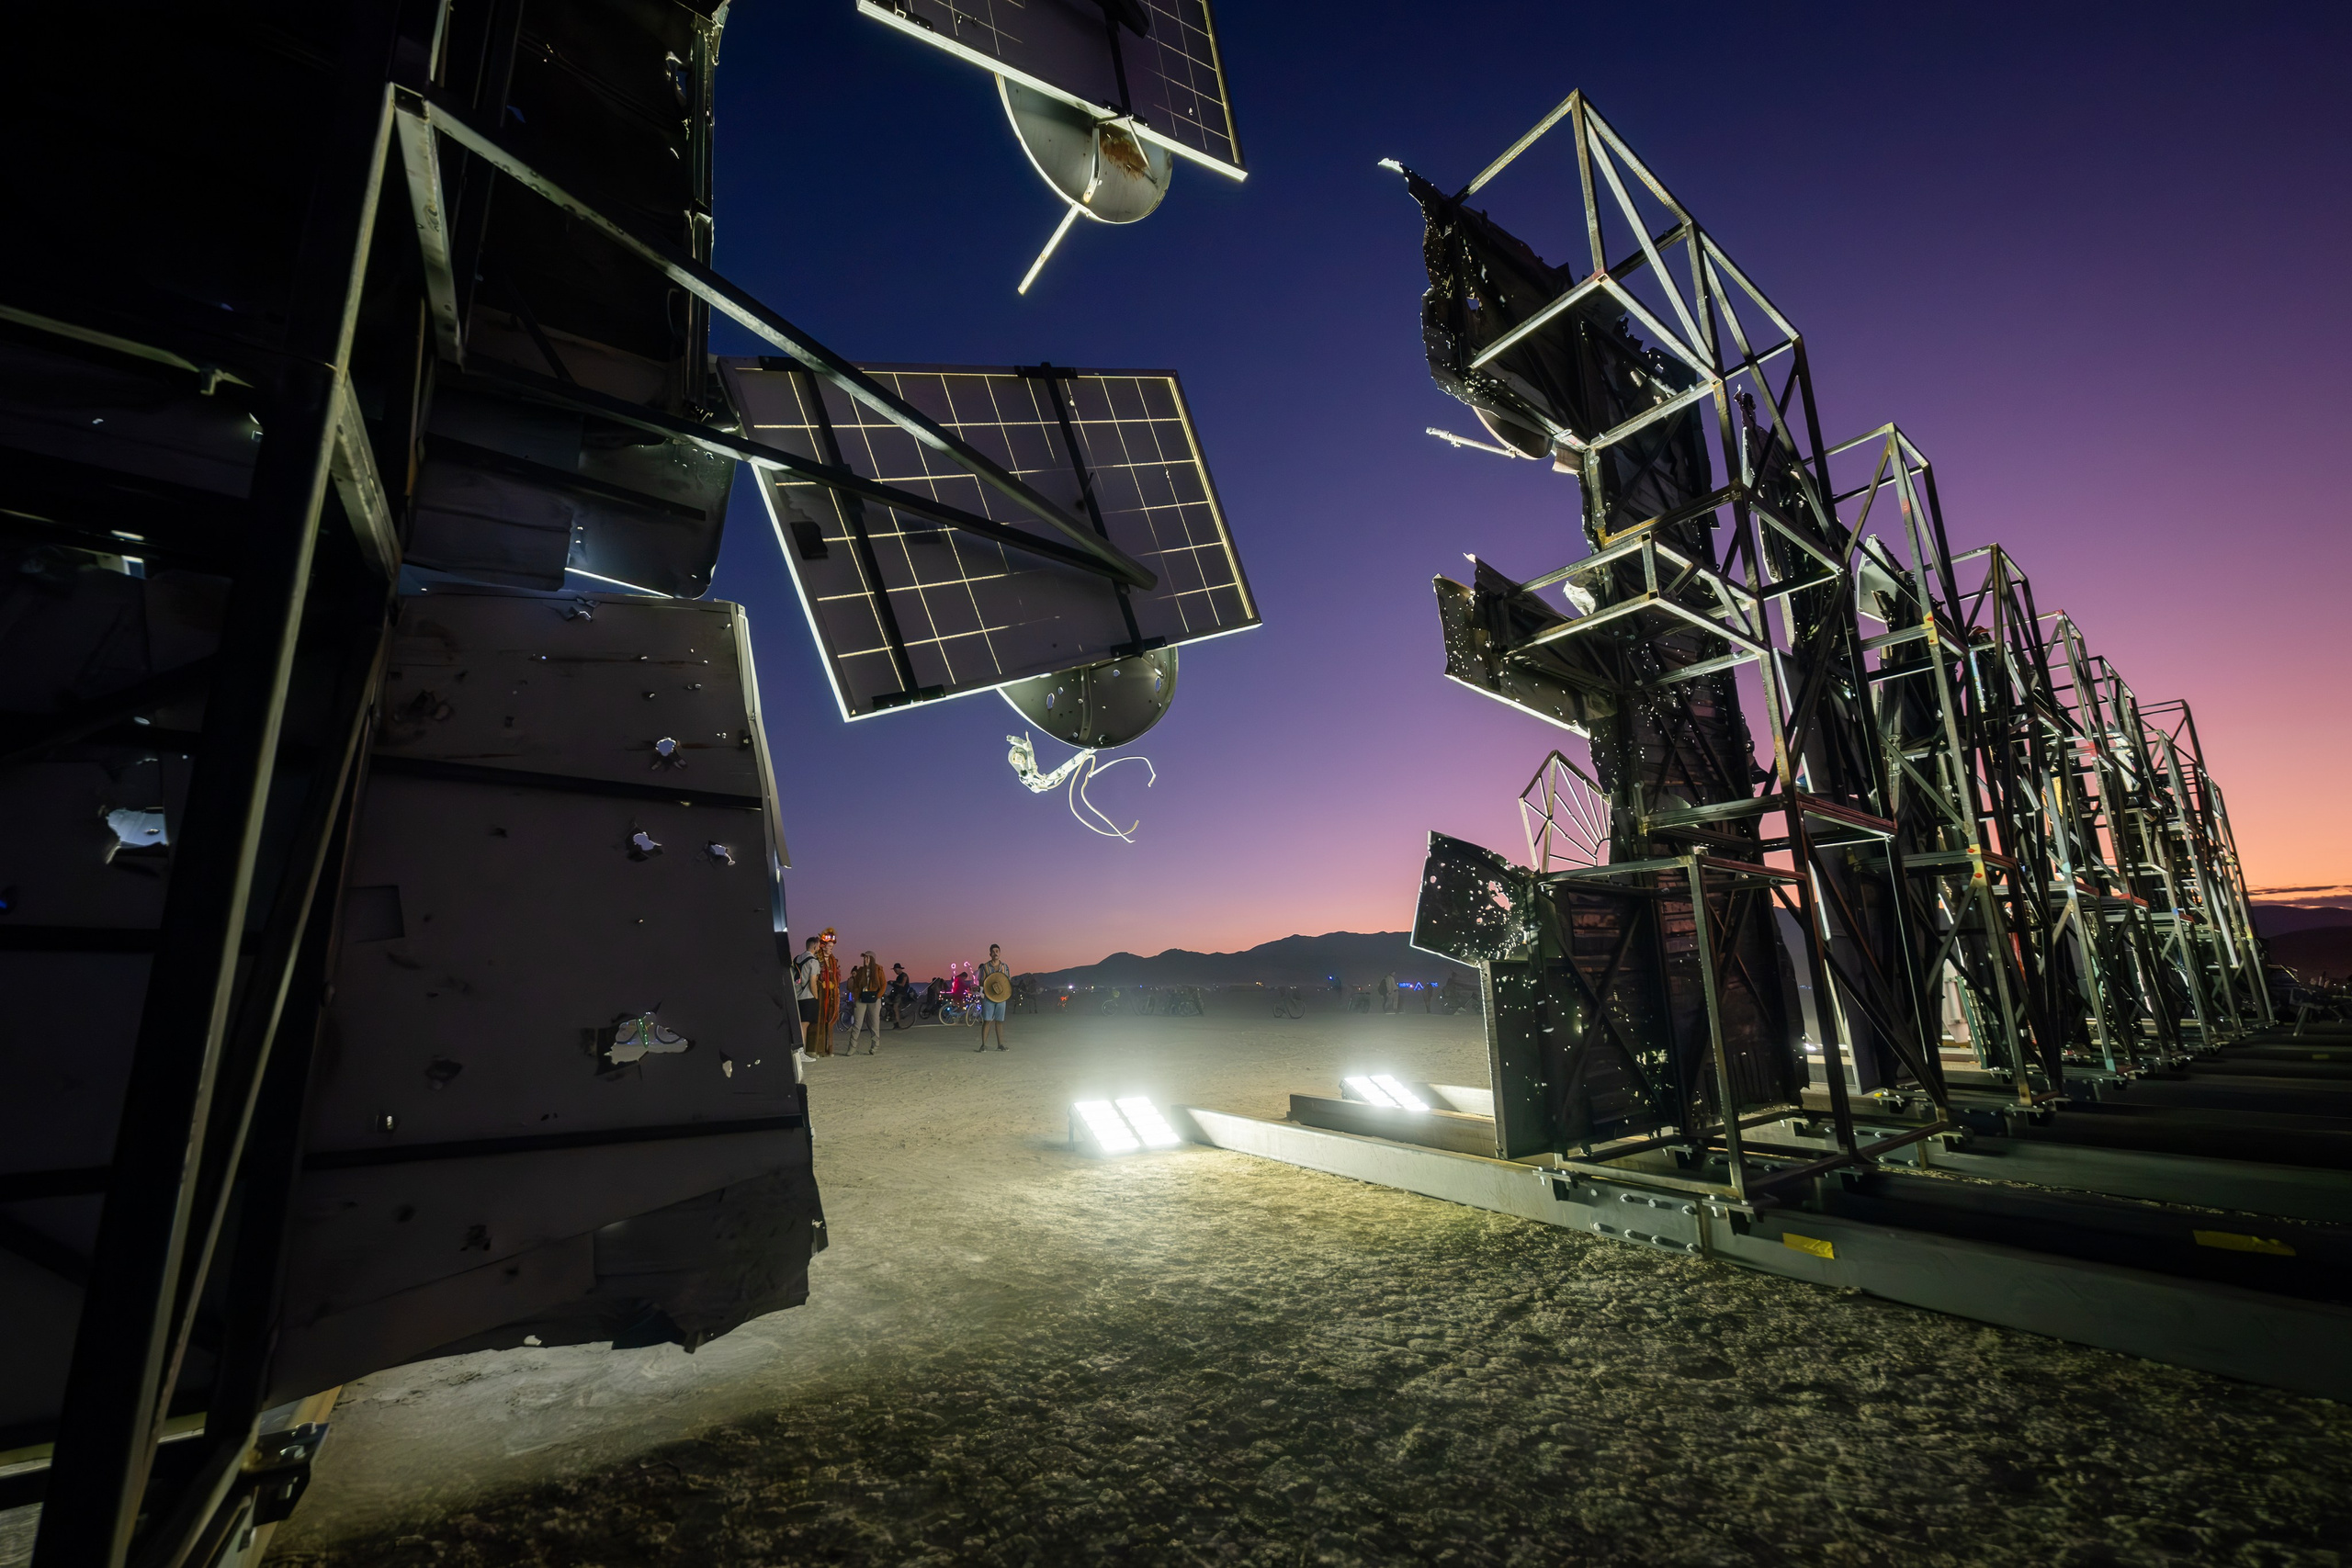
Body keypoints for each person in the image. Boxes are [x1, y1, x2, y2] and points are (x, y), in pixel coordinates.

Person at [792, 936, 829, 1058]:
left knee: (800, 1024)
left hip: (797, 996)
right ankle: (801, 1053)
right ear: (815, 946)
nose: (819, 948)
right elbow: (813, 982)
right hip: (808, 997)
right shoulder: (813, 961)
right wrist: (816, 997)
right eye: (818, 946)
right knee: (805, 1025)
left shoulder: (797, 959)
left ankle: (799, 1052)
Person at [975, 942, 1012, 1052]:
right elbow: (982, 982)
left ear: (999, 953)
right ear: (990, 954)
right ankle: (983, 1045)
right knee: (987, 1021)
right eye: (993, 952)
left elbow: (1007, 982)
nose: (995, 953)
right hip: (989, 998)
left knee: (999, 1021)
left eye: (997, 951)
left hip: (1001, 998)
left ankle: (1000, 1044)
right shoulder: (985, 967)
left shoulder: (1005, 967)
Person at [849, 950, 885, 1054]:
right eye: (864, 957)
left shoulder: (879, 970)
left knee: (874, 1023)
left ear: (872, 959)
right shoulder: (860, 971)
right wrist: (856, 996)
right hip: (862, 998)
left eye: (867, 957)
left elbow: (883, 985)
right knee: (857, 1023)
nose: (865, 959)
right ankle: (852, 1047)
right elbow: (856, 986)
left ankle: (875, 1045)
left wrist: (877, 996)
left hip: (874, 999)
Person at [815, 927, 843, 1049]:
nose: (831, 949)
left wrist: (835, 984)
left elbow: (837, 976)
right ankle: (817, 1046)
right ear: (823, 946)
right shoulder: (816, 959)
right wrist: (822, 984)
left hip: (831, 994)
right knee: (818, 1020)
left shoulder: (833, 961)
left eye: (832, 947)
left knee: (829, 1020)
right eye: (829, 946)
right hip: (819, 994)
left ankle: (828, 1046)